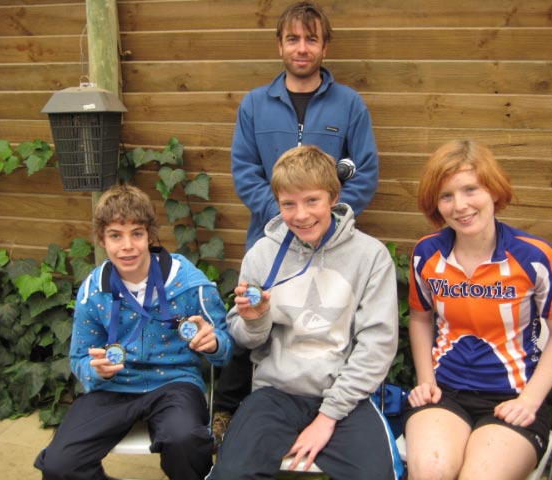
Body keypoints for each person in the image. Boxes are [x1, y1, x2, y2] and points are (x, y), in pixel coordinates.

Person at [214, 0, 380, 437]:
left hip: (330, 244)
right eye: (293, 39)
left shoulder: (349, 104)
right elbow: (244, 170)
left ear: (325, 47)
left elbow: (363, 170)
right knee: (253, 312)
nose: (301, 48)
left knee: (319, 320)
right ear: (280, 46)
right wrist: (288, 217)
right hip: (268, 236)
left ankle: (328, 406)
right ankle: (229, 409)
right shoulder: (255, 105)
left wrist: (324, 219)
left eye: (311, 39)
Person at [206, 145, 404, 480]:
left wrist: (327, 417)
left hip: (345, 396)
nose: (301, 215)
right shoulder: (262, 254)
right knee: (232, 474)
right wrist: (255, 319)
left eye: (312, 200)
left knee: (375, 475)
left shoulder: (371, 257)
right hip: (274, 394)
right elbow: (245, 338)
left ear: (333, 197)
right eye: (288, 204)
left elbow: (377, 345)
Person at [34, 184, 233, 480]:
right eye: (115, 235)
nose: (127, 246)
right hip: (114, 387)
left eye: (136, 233)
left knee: (186, 441)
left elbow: (226, 348)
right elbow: (79, 358)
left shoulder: (190, 283)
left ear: (150, 235)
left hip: (175, 383)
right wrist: (96, 370)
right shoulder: (93, 291)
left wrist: (214, 343)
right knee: (59, 465)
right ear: (101, 239)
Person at [404, 140, 552, 480]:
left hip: (514, 397)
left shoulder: (535, 256)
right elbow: (421, 319)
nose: (460, 206)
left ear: (494, 191)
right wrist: (425, 380)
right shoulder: (426, 254)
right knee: (429, 471)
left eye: (471, 189)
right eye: (446, 195)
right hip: (445, 391)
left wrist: (530, 401)